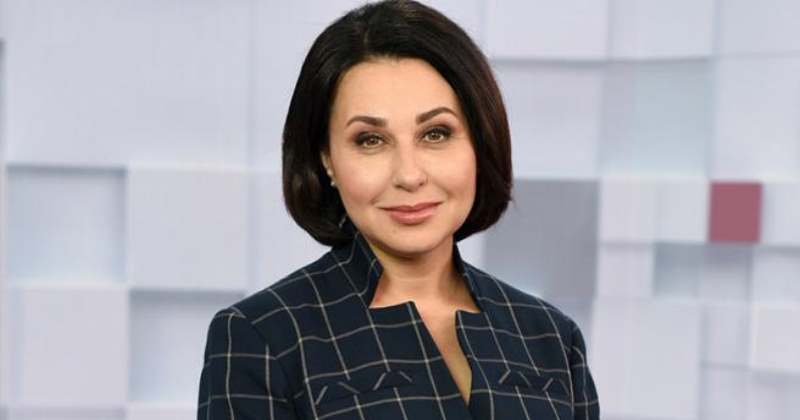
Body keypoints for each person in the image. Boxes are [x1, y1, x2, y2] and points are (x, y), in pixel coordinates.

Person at [197, 1, 599, 419]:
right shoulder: (263, 337)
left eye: (436, 134)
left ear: (478, 142)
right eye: (370, 140)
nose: (409, 175)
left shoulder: (550, 337)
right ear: (327, 159)